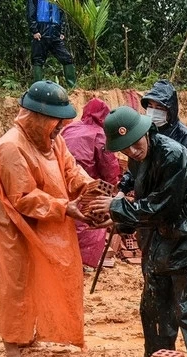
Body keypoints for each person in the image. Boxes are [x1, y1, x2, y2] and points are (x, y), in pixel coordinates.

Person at [87, 106, 187, 357]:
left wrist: (117, 209)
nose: (133, 152)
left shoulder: (174, 155)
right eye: (126, 149)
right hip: (158, 244)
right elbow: (137, 185)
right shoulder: (138, 156)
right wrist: (120, 208)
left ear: (146, 132)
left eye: (136, 144)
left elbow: (161, 207)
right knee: (156, 312)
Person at [0, 81, 93, 357]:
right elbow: (22, 198)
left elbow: (71, 170)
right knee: (16, 282)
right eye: (56, 122)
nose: (60, 128)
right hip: (11, 226)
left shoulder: (54, 140)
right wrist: (64, 207)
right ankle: (12, 345)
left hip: (45, 220)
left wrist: (91, 189)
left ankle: (31, 333)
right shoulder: (10, 147)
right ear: (39, 118)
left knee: (42, 276)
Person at [61, 98, 121, 268]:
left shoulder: (70, 127)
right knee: (89, 222)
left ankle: (66, 258)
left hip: (64, 180)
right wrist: (113, 185)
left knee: (68, 220)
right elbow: (109, 165)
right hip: (88, 183)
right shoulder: (99, 134)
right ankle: (83, 262)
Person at [139, 79, 187, 161]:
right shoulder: (146, 131)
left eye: (159, 108)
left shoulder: (185, 137)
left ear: (170, 110)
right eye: (150, 107)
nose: (153, 112)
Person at [27, 0, 76, 89]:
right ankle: (38, 89)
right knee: (38, 60)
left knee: (67, 58)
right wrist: (34, 30)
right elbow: (31, 12)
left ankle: (72, 87)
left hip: (55, 32)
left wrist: (61, 31)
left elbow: (62, 14)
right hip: (41, 31)